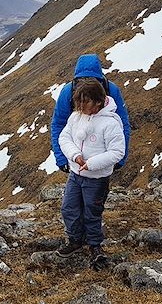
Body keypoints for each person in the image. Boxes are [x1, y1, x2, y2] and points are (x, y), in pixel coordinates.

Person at [56, 78, 125, 266]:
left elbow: (118, 152)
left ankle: (95, 246)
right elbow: (64, 137)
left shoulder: (110, 123)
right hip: (75, 174)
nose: (80, 106)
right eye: (78, 101)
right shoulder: (76, 116)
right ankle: (76, 240)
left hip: (96, 179)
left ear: (98, 102)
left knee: (92, 213)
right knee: (68, 208)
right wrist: (75, 155)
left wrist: (92, 164)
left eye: (84, 101)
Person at [51, 54, 131, 174]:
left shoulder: (111, 90)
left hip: (102, 155)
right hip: (76, 156)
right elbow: (59, 125)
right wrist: (62, 158)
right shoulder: (68, 92)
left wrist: (120, 158)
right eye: (81, 81)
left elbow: (122, 124)